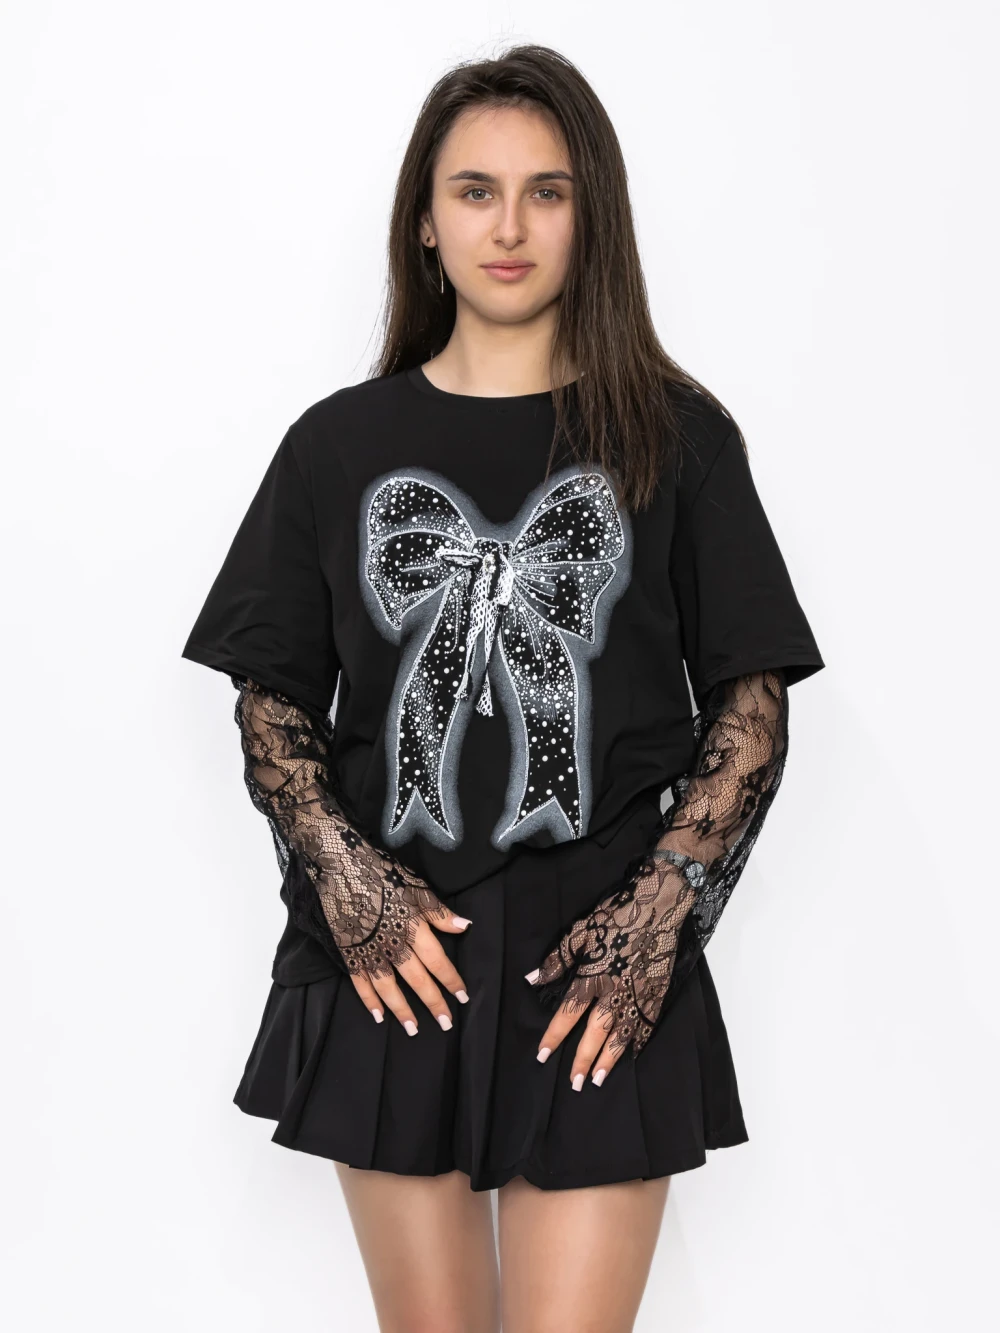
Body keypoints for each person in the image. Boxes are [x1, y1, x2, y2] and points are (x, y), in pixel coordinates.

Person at [181, 42, 825, 1333]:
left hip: (597, 964)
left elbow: (752, 704)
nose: (511, 226)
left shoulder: (678, 435)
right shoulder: (335, 445)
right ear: (425, 222)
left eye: (548, 191)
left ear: (594, 218)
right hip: (396, 950)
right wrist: (351, 887)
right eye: (475, 190)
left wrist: (660, 914)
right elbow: (272, 702)